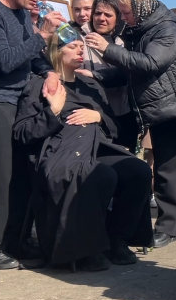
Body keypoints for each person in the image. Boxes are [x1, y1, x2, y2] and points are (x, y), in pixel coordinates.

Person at [85, 0, 176, 250]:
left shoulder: (166, 29)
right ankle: (168, 227)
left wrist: (108, 49)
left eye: (126, 12)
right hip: (161, 107)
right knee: (166, 168)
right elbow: (132, 69)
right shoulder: (136, 32)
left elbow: (149, 63)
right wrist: (98, 75)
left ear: (141, 9)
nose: (124, 17)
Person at [13, 32, 153, 271]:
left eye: (82, 46)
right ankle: (88, 248)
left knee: (137, 171)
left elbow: (114, 127)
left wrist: (98, 116)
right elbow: (22, 132)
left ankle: (116, 239)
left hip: (95, 146)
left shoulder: (90, 84)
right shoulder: (39, 85)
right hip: (59, 151)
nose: (81, 51)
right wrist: (53, 112)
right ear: (57, 51)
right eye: (73, 46)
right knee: (99, 175)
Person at [0, 0, 64, 269]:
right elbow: (4, 62)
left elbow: (32, 56)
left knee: (23, 176)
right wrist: (43, 35)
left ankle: (15, 240)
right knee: (1, 179)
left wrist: (49, 72)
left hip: (22, 102)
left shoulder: (22, 13)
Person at [76, 0, 138, 149]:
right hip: (92, 112)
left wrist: (96, 75)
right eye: (97, 13)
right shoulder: (78, 39)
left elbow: (130, 72)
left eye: (108, 15)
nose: (101, 18)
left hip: (124, 112)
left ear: (118, 18)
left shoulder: (128, 41)